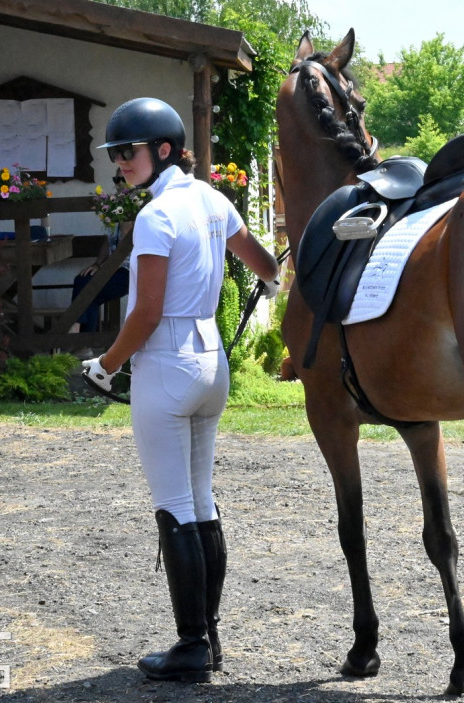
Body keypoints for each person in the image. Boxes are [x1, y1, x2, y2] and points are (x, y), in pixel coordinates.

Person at [81, 97, 279, 683]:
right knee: (199, 500)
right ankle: (208, 637)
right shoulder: (213, 200)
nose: (120, 162)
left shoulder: (155, 215)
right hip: (211, 360)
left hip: (166, 363)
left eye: (128, 152)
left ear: (162, 149)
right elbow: (264, 263)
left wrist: (106, 365)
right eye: (116, 153)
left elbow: (144, 313)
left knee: (175, 504)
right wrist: (270, 284)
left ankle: (193, 644)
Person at [69, 173, 133, 336]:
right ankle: (84, 343)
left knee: (88, 288)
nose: (119, 183)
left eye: (123, 179)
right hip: (111, 267)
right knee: (85, 283)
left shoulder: (136, 205)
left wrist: (104, 267)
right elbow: (108, 241)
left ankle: (75, 327)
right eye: (116, 179)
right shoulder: (116, 206)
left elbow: (125, 241)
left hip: (128, 270)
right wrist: (98, 263)